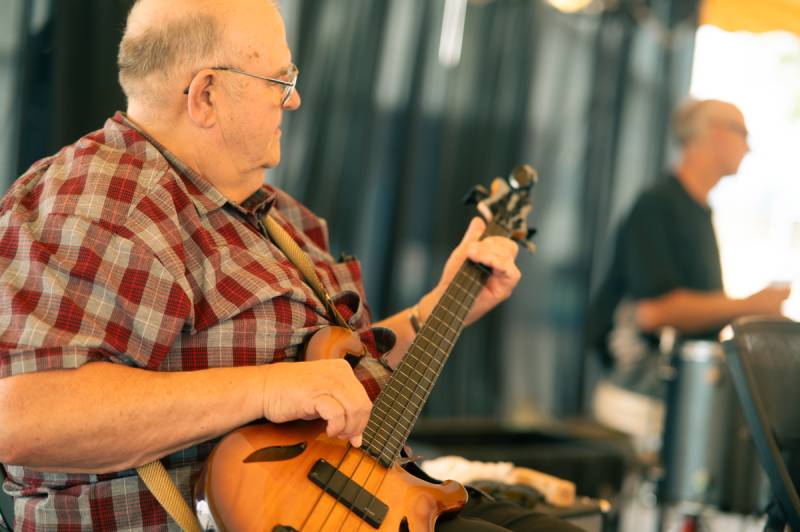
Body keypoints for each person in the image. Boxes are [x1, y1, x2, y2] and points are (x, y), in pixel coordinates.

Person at [0, 1, 579, 530]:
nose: (294, 99)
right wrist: (270, 387)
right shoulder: (109, 199)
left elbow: (340, 385)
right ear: (206, 94)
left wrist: (443, 306)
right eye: (280, 80)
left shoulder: (283, 220)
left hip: (384, 500)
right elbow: (23, 416)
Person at [587, 98, 791, 445]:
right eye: (743, 133)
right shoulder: (657, 205)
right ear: (715, 133)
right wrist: (750, 306)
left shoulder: (696, 209)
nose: (748, 146)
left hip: (676, 396)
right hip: (639, 403)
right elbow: (654, 313)